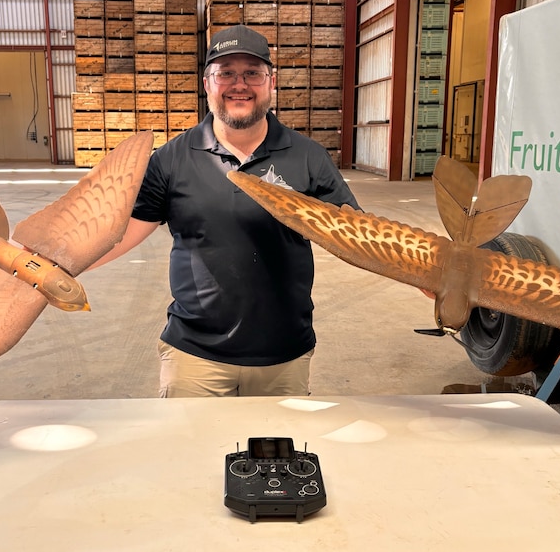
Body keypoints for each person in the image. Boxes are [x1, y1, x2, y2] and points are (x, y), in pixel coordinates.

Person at [93, 24, 361, 397]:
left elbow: (358, 233)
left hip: (284, 354)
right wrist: (52, 266)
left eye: (252, 73)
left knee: (277, 456)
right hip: (194, 356)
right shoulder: (172, 158)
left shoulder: (308, 157)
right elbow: (123, 232)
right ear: (207, 84)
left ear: (271, 82)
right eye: (226, 73)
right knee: (192, 454)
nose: (240, 84)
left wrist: (427, 274)